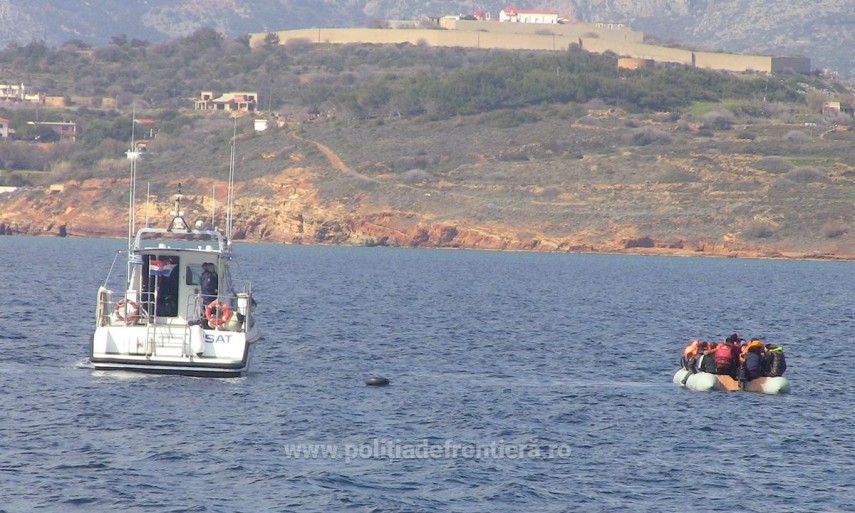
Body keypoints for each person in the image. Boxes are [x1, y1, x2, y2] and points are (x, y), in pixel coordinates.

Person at [200, 262, 219, 327]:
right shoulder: (208, 276)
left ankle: (207, 323)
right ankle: (207, 324)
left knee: (208, 310)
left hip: (206, 296)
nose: (213, 269)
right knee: (210, 311)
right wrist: (214, 290)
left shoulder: (204, 274)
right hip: (208, 296)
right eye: (212, 267)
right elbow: (206, 286)